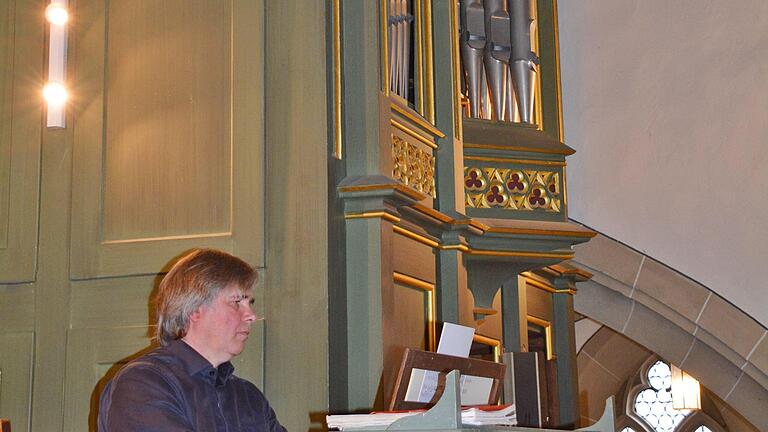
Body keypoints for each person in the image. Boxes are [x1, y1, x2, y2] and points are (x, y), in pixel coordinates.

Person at [98, 248, 286, 431]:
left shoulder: (248, 397)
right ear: (194, 309)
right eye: (237, 302)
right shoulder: (143, 382)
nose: (251, 315)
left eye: (250, 304)